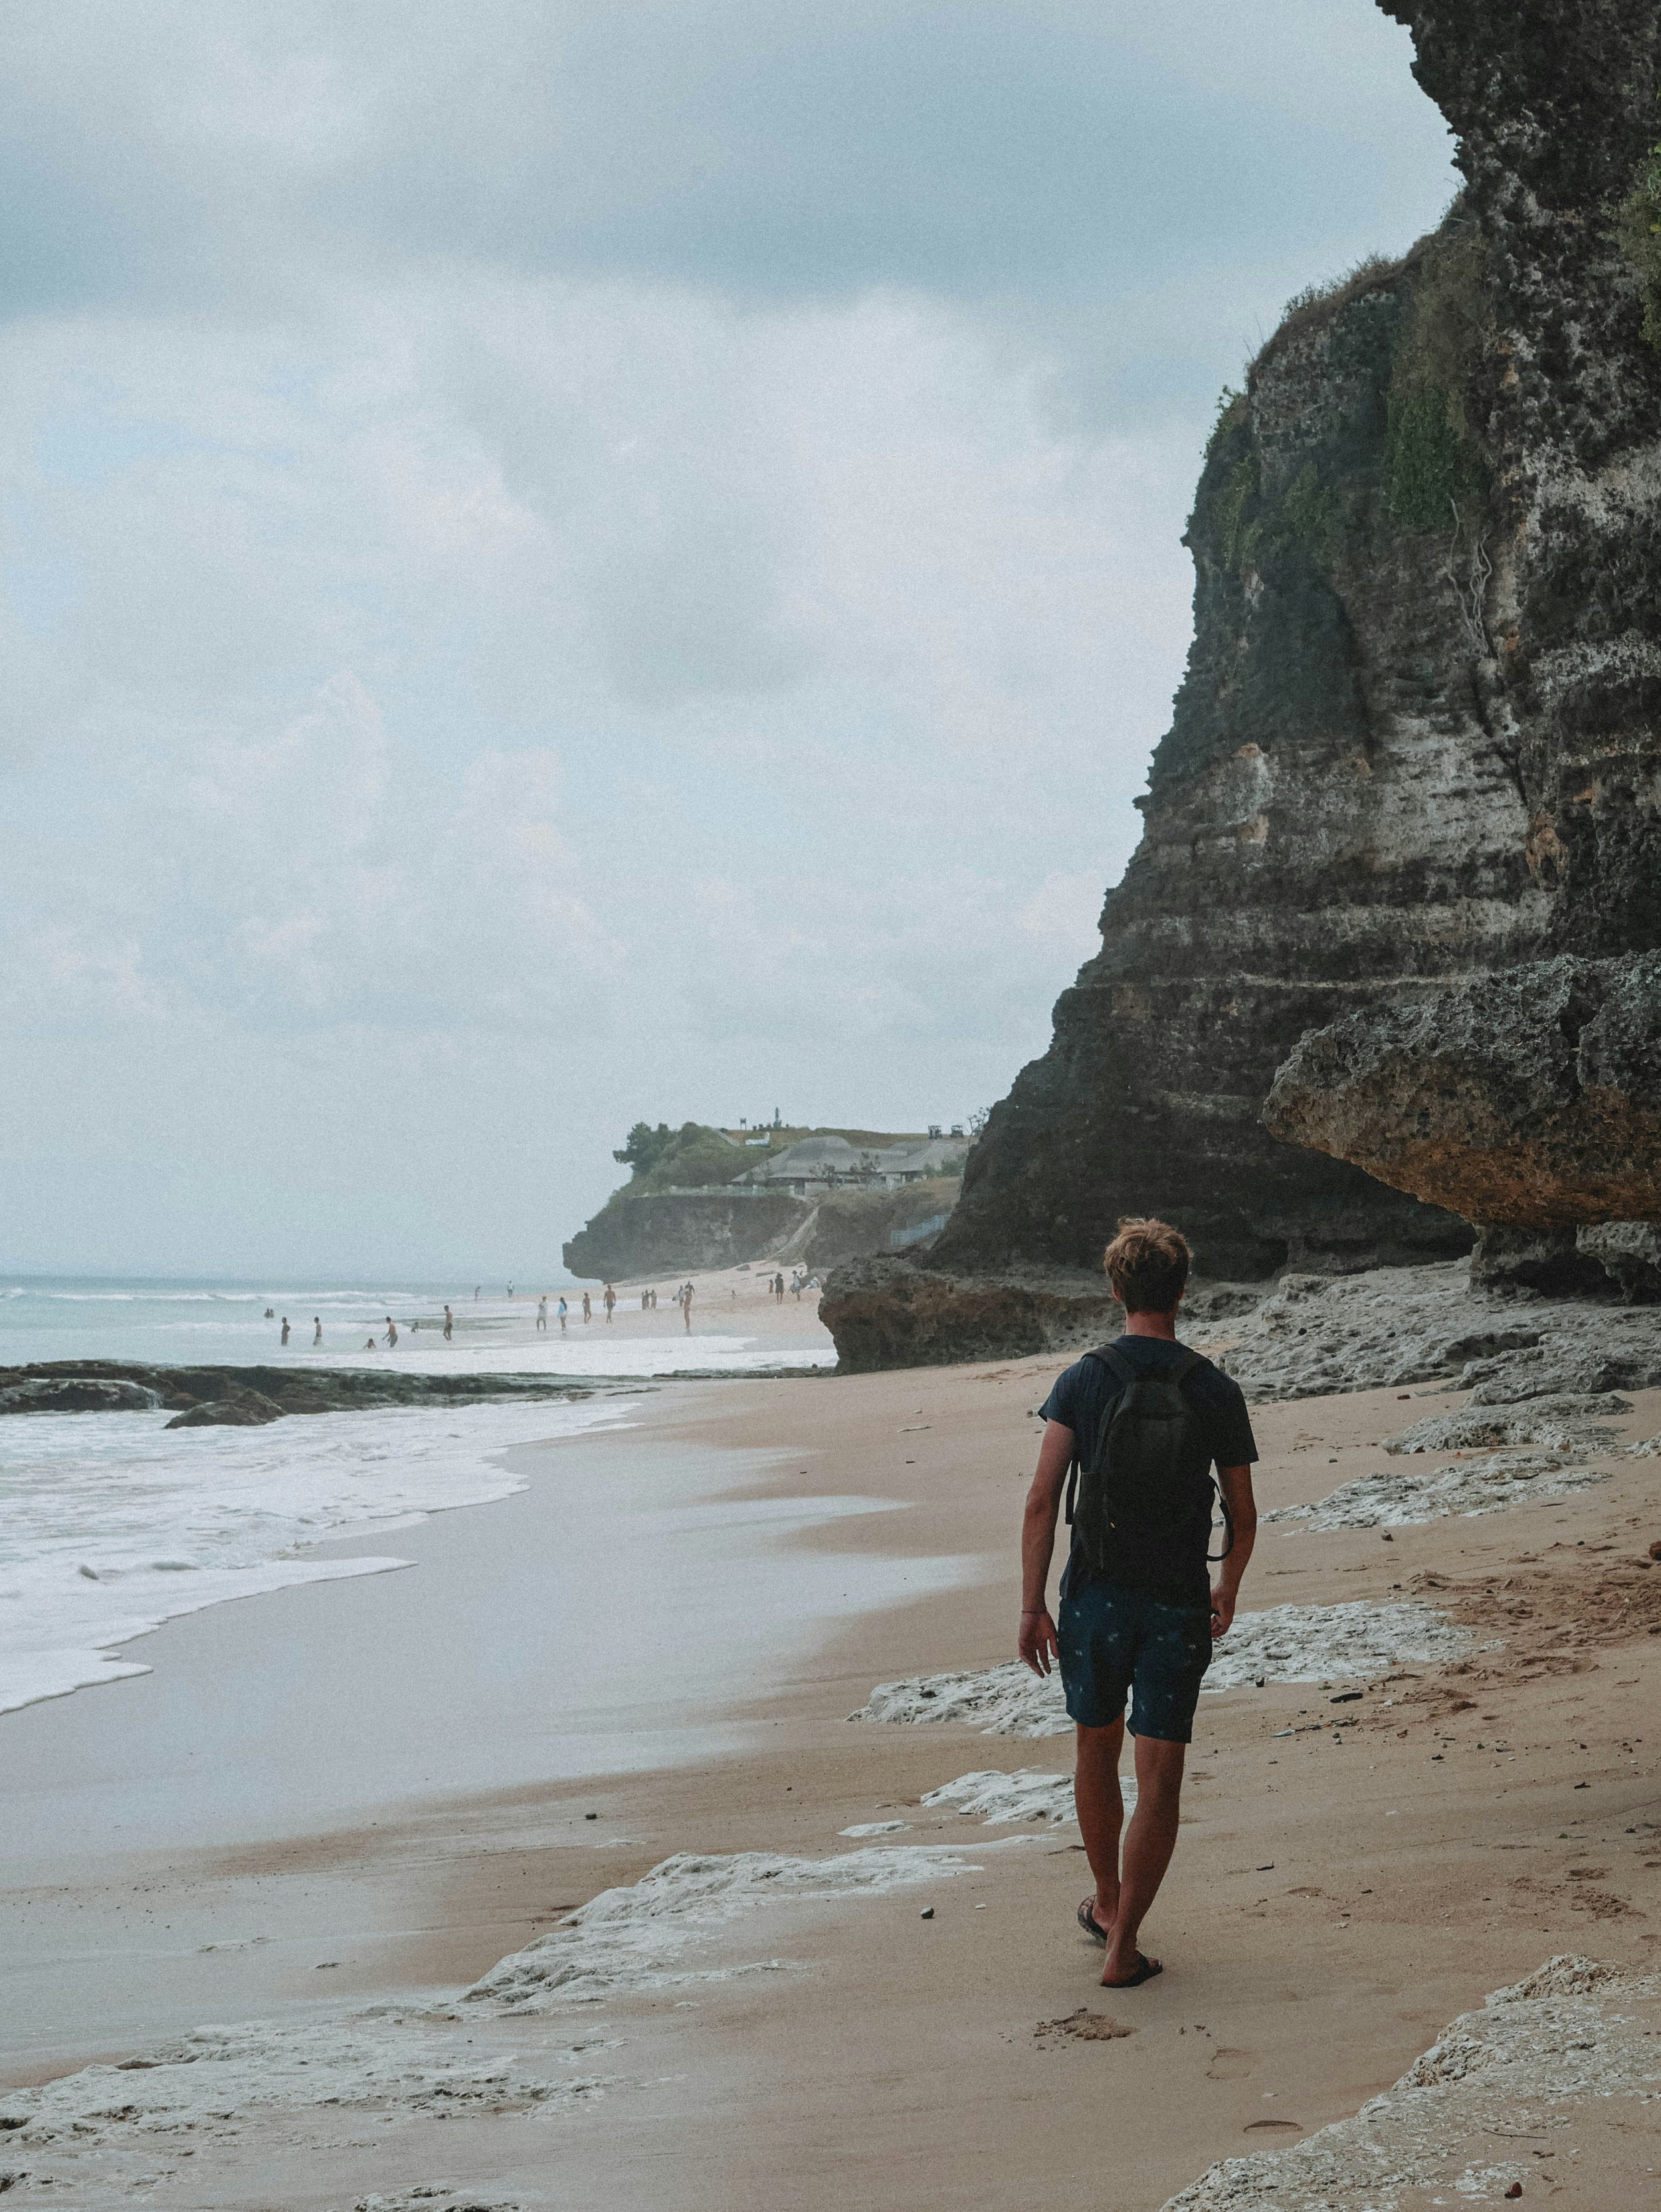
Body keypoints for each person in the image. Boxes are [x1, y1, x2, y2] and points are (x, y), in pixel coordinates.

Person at [1018, 1218, 1257, 1991]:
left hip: (1094, 1596)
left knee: (1095, 1747)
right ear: (1183, 1291)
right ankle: (1124, 1948)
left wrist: (1031, 1607)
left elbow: (1041, 1501)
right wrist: (1227, 1586)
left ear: (1115, 1289)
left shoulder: (1083, 1379)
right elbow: (1243, 1514)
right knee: (1159, 1776)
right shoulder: (1212, 1387)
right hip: (1177, 1600)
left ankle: (1108, 1903)